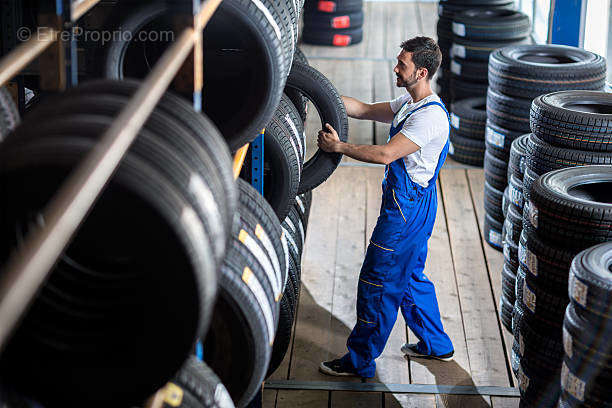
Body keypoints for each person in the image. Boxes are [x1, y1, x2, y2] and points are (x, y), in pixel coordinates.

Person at [317, 36, 454, 379]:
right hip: (415, 204)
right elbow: (362, 108)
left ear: (421, 72)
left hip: (406, 210)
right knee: (408, 277)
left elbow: (385, 154)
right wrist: (317, 92)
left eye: (402, 64)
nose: (396, 67)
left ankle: (359, 360)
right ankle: (437, 345)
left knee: (378, 281)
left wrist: (339, 147)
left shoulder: (430, 118)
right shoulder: (410, 102)